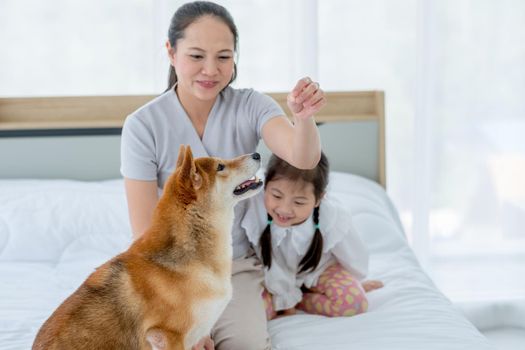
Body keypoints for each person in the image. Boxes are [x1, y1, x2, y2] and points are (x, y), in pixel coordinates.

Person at [120, 1, 325, 349]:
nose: (210, 70)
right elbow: (145, 235)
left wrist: (302, 119)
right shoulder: (142, 125)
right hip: (169, 272)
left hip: (232, 267)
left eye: (224, 57)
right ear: (171, 52)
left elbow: (302, 157)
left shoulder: (251, 105)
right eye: (196, 56)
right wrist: (186, 322)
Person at [244, 153, 384, 320]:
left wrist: (355, 280)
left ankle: (300, 299)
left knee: (354, 303)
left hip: (317, 271)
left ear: (318, 199)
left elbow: (353, 254)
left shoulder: (332, 217)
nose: (284, 209)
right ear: (265, 185)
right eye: (276, 196)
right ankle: (283, 299)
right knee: (250, 314)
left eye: (299, 202)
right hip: (270, 276)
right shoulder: (253, 206)